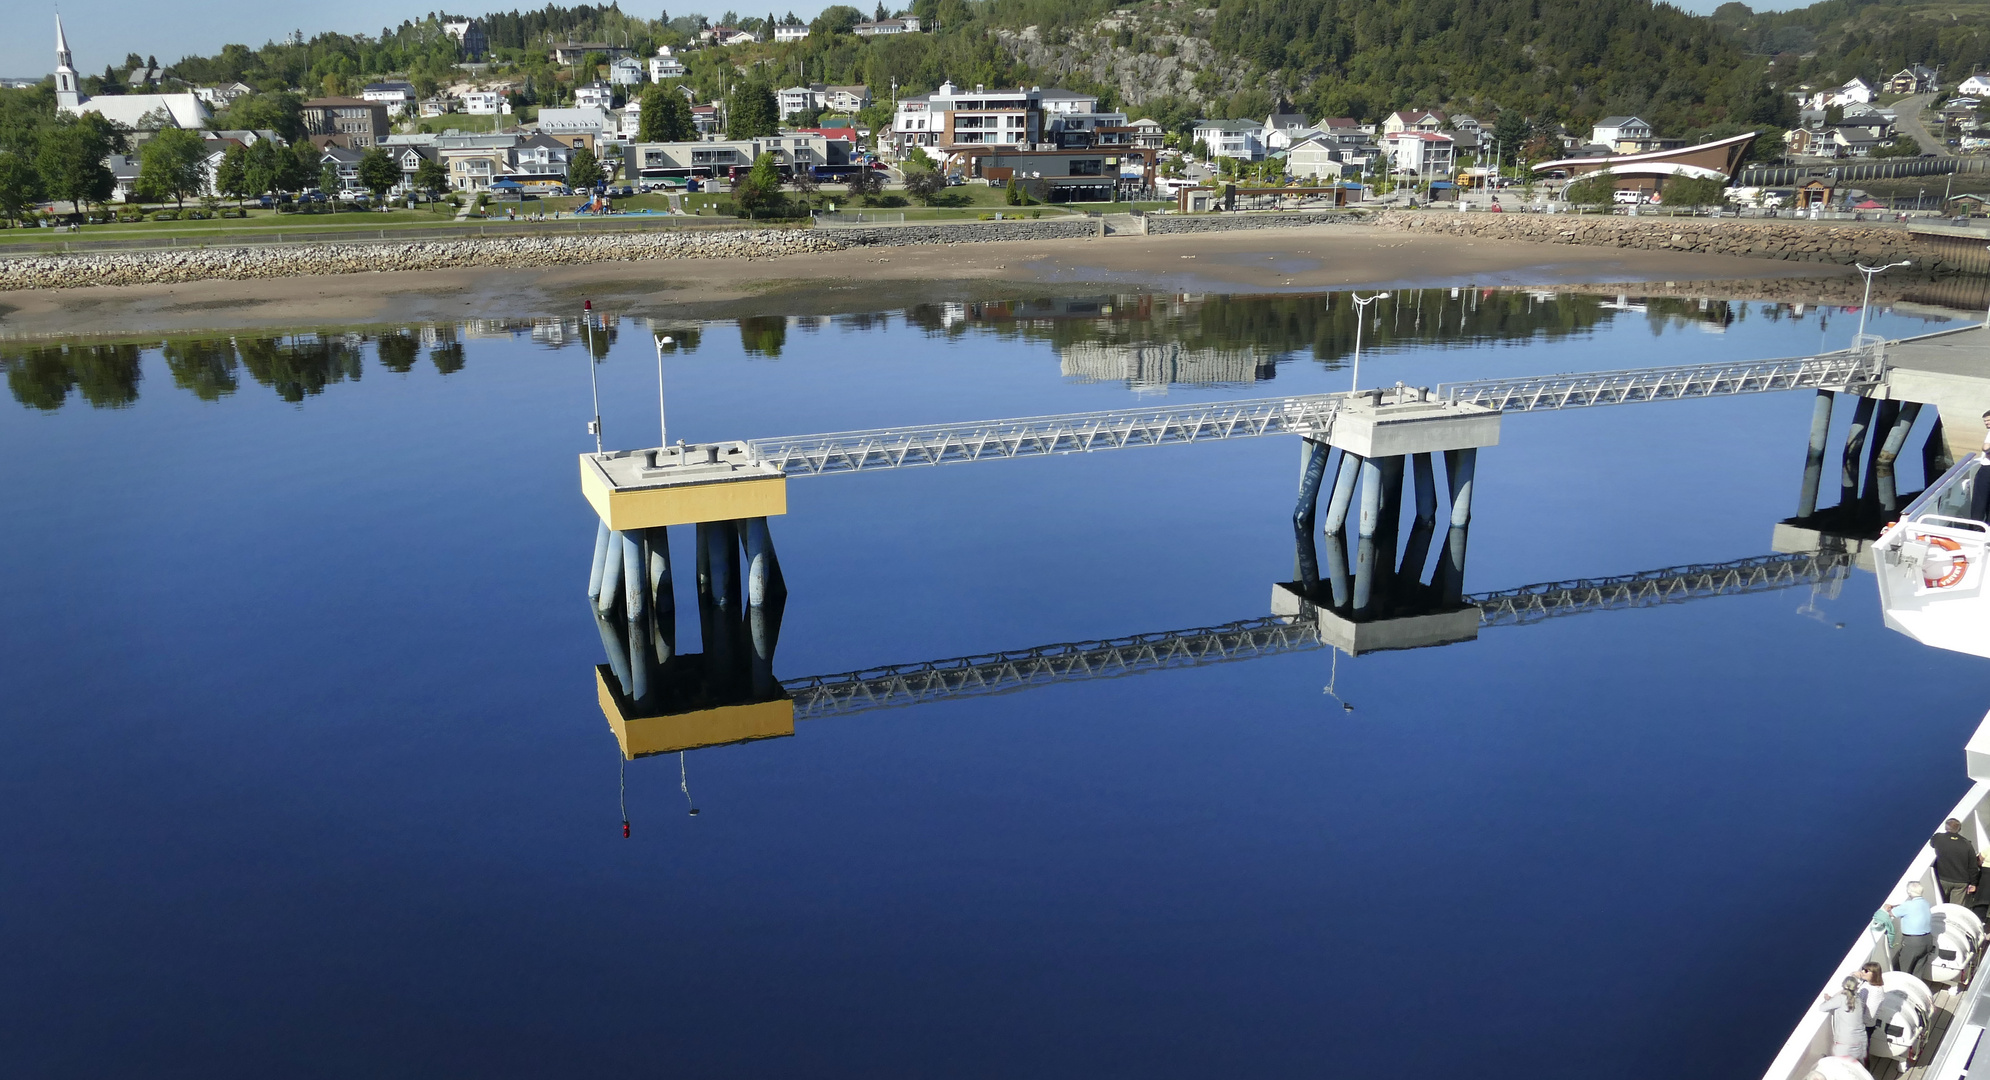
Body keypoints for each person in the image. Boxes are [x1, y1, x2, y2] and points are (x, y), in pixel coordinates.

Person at [1888, 882, 1934, 978]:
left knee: (1904, 969)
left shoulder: (1908, 905)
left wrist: (1887, 908)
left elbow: (1891, 913)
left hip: (1913, 942)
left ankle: (1902, 991)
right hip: (1927, 940)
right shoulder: (1925, 903)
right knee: (1918, 969)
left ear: (1909, 893)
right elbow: (1908, 908)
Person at [1818, 976, 1869, 1061]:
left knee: (1842, 1066)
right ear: (1856, 987)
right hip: (1860, 1041)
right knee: (1857, 1066)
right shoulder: (1858, 1000)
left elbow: (1822, 1008)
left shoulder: (1840, 999)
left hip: (1845, 1043)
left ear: (1843, 985)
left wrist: (1828, 1000)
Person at [1933, 818, 1979, 905]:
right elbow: (1973, 866)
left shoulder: (1938, 838)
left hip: (1943, 879)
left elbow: (1932, 843)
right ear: (1959, 829)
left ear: (1946, 828)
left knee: (1942, 904)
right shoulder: (1967, 844)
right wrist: (1973, 883)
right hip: (1961, 881)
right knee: (1955, 908)